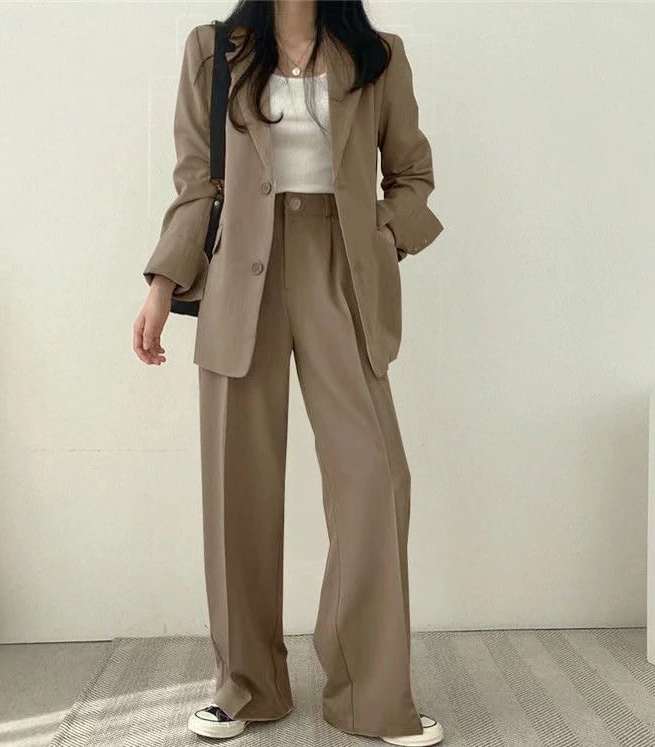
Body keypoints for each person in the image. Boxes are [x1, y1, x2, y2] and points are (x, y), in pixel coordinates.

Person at [133, 1, 444, 744]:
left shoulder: (379, 56)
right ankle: (245, 686)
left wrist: (379, 232)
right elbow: (197, 181)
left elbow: (412, 176)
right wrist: (162, 280)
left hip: (341, 269)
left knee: (375, 478)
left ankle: (370, 695)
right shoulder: (214, 51)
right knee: (237, 486)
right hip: (240, 274)